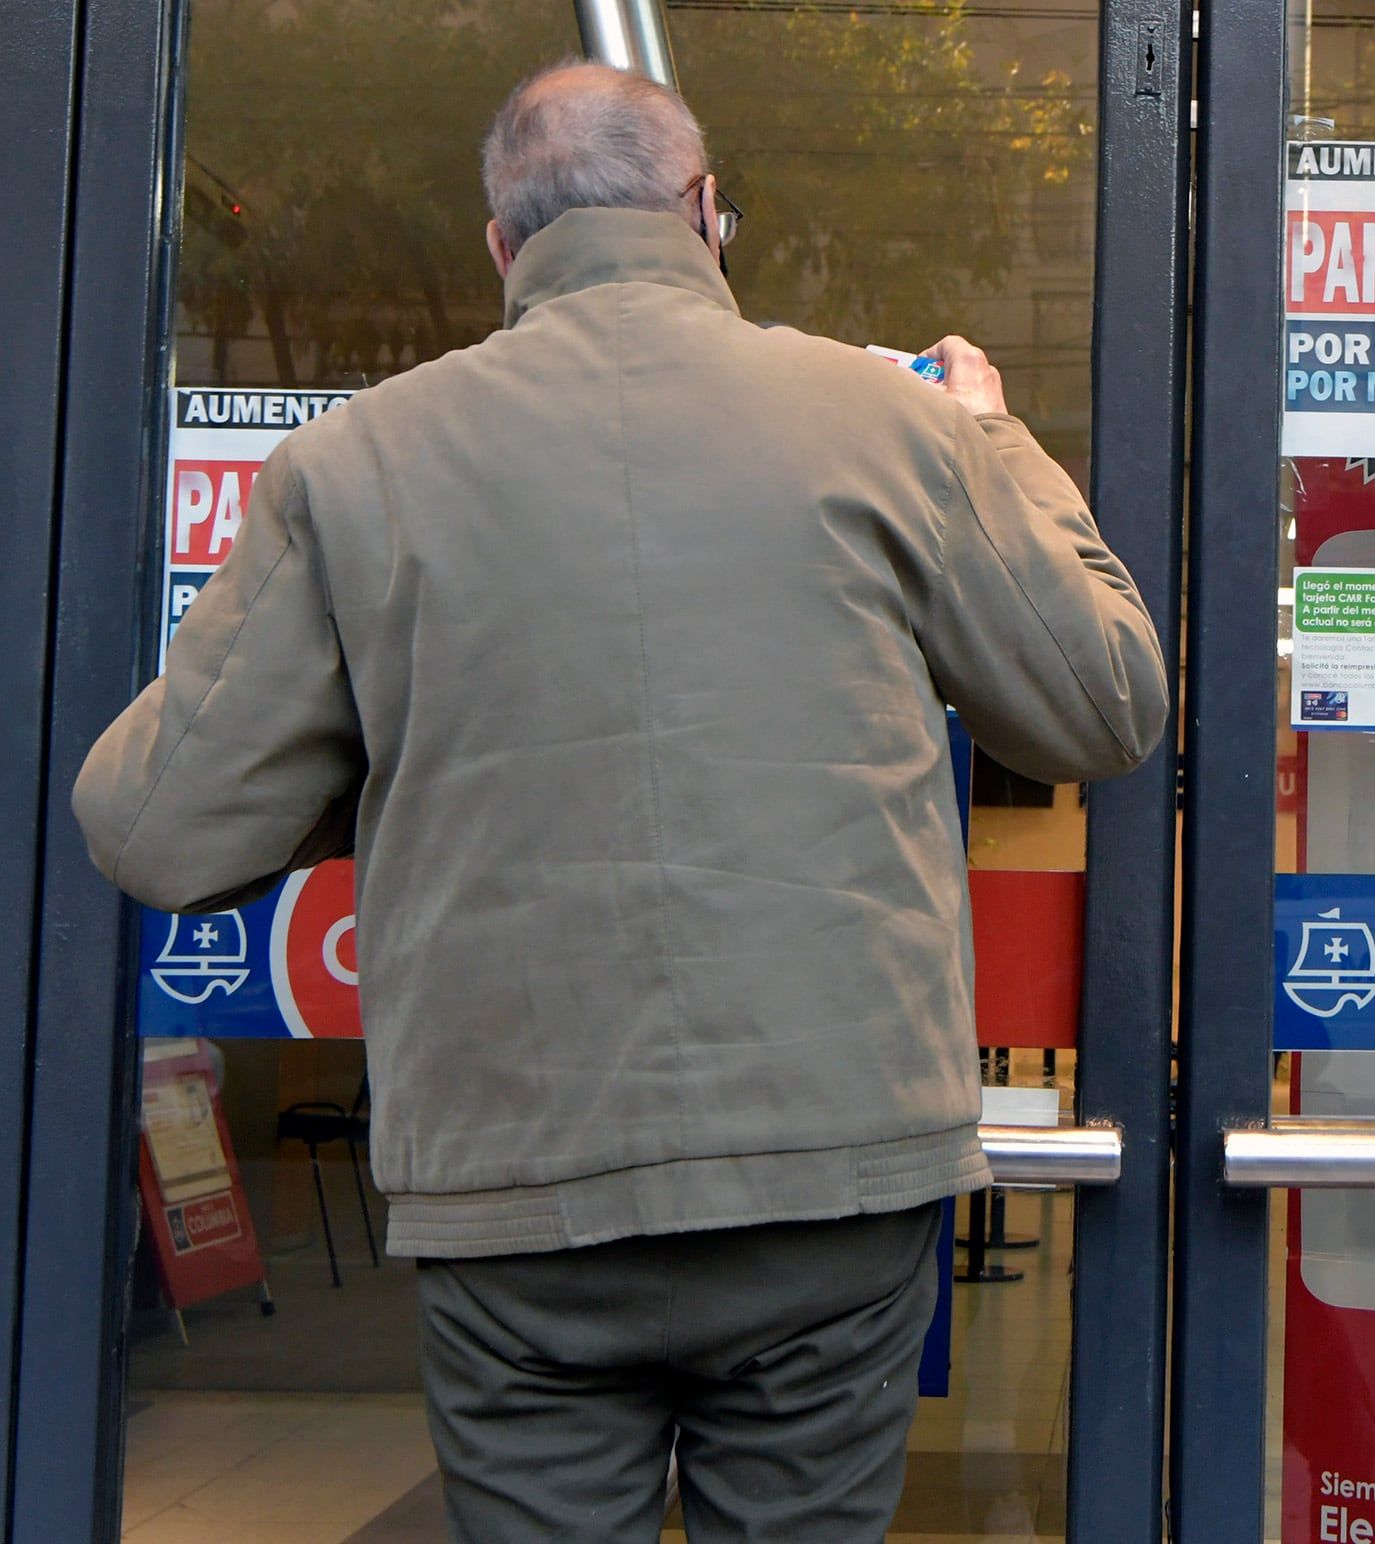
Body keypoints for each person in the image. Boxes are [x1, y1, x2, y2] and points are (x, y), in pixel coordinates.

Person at [73, 60, 1168, 1542]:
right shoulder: (889, 426)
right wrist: (992, 434)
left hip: (520, 1204)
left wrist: (378, 752)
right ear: (708, 214)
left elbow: (151, 826)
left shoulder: (353, 467)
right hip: (826, 1191)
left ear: (499, 244)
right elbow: (1104, 699)